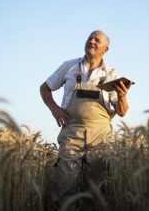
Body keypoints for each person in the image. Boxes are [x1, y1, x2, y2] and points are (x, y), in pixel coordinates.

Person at [40, 30, 131, 210]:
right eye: (90, 37)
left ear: (106, 48)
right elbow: (44, 88)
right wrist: (54, 109)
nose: (92, 41)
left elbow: (122, 112)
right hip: (71, 132)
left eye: (97, 40)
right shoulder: (69, 66)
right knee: (64, 184)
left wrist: (122, 97)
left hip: (101, 136)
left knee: (96, 190)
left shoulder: (112, 73)